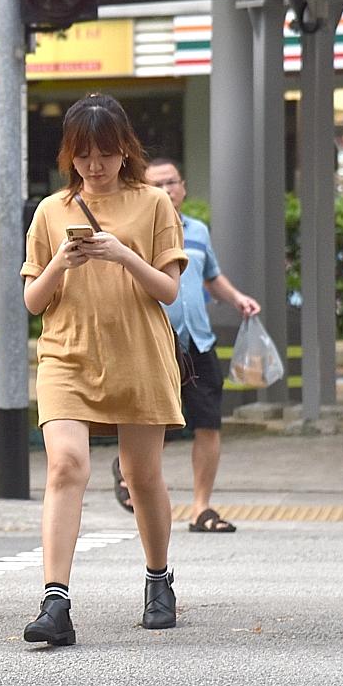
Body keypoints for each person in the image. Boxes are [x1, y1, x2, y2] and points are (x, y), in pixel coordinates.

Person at [20, 93, 186, 647]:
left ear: (125, 152)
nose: (95, 166)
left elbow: (167, 289)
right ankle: (55, 600)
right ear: (70, 154)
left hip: (137, 353)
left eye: (107, 154)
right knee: (66, 466)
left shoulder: (154, 204)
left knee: (141, 478)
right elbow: (33, 301)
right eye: (84, 155)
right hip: (68, 353)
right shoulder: (51, 211)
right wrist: (61, 264)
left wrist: (122, 254)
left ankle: (159, 579)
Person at [111, 158, 260, 534]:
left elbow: (212, 277)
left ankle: (201, 508)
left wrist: (238, 298)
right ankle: (128, 470)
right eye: (156, 184)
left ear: (183, 186)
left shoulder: (198, 231)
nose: (165, 190)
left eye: (171, 182)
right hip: (154, 343)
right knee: (151, 424)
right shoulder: (137, 232)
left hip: (198, 341)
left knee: (208, 423)